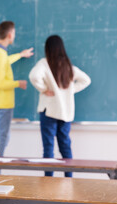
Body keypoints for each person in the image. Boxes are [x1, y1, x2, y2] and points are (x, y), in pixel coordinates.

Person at [29, 35, 91, 177]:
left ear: (47, 49)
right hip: (65, 113)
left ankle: (48, 181)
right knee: (65, 147)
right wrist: (69, 91)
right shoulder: (68, 66)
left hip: (49, 111)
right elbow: (86, 80)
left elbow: (33, 76)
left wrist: (43, 89)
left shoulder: (44, 63)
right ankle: (69, 179)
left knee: (48, 148)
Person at [0, 21, 34, 159]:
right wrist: (18, 83)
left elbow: (4, 62)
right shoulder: (1, 55)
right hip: (4, 103)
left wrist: (20, 55)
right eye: (14, 32)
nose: (14, 35)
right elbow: (1, 83)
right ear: (9, 34)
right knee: (2, 137)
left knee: (4, 137)